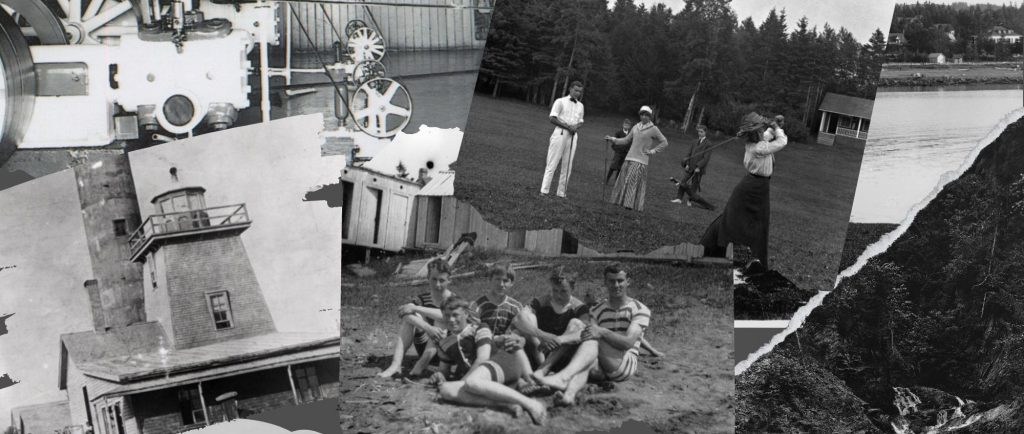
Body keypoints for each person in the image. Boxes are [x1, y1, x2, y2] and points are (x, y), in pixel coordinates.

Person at [534, 263, 652, 406]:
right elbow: (586, 335)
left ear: (628, 281)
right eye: (611, 281)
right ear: (605, 282)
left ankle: (561, 376)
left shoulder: (639, 309)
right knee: (577, 327)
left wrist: (601, 331)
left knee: (593, 337)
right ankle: (568, 395)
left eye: (620, 280)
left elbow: (627, 343)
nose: (616, 285)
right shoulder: (597, 309)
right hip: (600, 366)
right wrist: (562, 339)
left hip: (624, 365)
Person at [436, 296, 549, 425]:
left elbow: (482, 358)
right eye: (446, 315)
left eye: (455, 315)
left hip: (502, 361)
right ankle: (506, 403)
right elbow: (443, 370)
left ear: (466, 314)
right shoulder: (443, 340)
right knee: (445, 389)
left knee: (471, 383)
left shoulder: (478, 328)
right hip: (485, 378)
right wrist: (439, 375)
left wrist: (463, 383)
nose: (451, 320)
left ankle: (532, 404)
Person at [700, 113, 787, 270]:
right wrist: (776, 128)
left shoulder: (758, 143)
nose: (763, 132)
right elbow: (782, 142)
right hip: (752, 188)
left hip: (757, 188)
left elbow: (768, 136)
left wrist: (775, 127)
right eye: (761, 129)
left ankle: (749, 259)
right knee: (732, 221)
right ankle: (711, 250)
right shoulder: (759, 147)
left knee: (743, 222)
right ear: (756, 132)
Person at [378, 259, 461, 378]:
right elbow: (404, 313)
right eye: (434, 279)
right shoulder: (422, 299)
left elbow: (446, 315)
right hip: (425, 348)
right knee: (410, 319)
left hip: (447, 354)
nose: (437, 284)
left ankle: (420, 365)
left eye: (442, 280)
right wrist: (427, 327)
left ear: (449, 280)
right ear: (428, 277)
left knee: (440, 321)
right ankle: (395, 365)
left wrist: (417, 308)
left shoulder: (454, 299)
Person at [469, 263, 532, 385]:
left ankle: (530, 379)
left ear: (511, 283)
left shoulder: (516, 306)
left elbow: (519, 331)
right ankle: (525, 380)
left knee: (514, 343)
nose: (501, 284)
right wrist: (496, 339)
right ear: (490, 280)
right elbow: (472, 331)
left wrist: (519, 339)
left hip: (506, 348)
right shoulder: (477, 305)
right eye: (497, 279)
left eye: (505, 281)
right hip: (483, 347)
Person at [606, 106, 668, 211]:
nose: (644, 117)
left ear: (650, 117)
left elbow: (664, 142)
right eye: (642, 114)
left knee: (632, 182)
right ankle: (619, 201)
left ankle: (629, 205)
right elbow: (626, 140)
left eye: (646, 115)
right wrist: (613, 139)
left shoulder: (654, 129)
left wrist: (653, 151)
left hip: (641, 160)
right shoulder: (635, 127)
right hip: (629, 157)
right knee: (622, 180)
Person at [541, 81, 585, 198]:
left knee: (568, 164)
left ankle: (561, 192)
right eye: (576, 90)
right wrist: (567, 127)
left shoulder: (581, 106)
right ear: (570, 89)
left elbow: (581, 121)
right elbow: (552, 118)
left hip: (573, 136)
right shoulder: (560, 101)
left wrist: (576, 127)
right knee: (552, 162)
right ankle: (544, 190)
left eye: (580, 91)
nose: (577, 93)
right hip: (560, 133)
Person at [670, 124, 715, 210]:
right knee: (683, 181)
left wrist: (699, 167)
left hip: (698, 169)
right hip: (690, 166)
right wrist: (687, 163)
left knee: (694, 185)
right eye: (698, 131)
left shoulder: (708, 144)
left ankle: (690, 200)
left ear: (705, 132)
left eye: (701, 132)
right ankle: (679, 198)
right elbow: (689, 154)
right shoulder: (694, 142)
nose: (700, 133)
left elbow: (706, 158)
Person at [605, 118, 633, 185]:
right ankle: (607, 180)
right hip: (618, 153)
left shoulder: (630, 134)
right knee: (613, 166)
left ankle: (616, 183)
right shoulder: (618, 133)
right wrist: (617, 149)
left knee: (620, 168)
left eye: (628, 125)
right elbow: (614, 141)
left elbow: (631, 143)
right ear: (623, 125)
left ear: (629, 126)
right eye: (625, 124)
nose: (626, 126)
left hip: (626, 154)